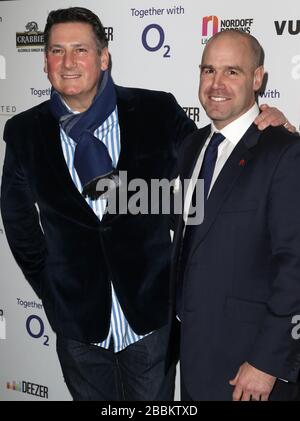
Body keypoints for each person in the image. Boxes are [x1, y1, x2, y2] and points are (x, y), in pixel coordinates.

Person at [0, 7, 293, 401]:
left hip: (150, 325)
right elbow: (18, 223)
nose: (68, 62)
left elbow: (221, 158)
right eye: (57, 50)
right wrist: (53, 291)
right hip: (78, 329)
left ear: (103, 57)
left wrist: (270, 119)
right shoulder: (23, 131)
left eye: (81, 49)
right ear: (45, 61)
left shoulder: (156, 110)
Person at [170, 29, 300, 401]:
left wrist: (267, 363)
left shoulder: (286, 153)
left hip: (252, 367)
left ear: (257, 79)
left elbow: (295, 268)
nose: (216, 84)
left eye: (232, 72)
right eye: (208, 70)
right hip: (196, 355)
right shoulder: (193, 145)